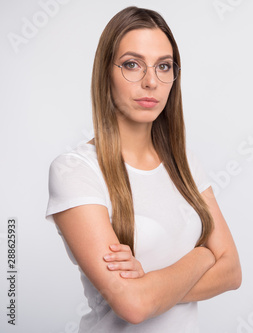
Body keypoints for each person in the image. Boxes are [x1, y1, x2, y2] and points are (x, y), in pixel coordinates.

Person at [45, 6, 242, 332]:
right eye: (132, 65)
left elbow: (232, 272)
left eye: (163, 66)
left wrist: (149, 286)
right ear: (105, 72)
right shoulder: (75, 171)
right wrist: (204, 256)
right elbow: (133, 306)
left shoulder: (185, 163)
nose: (151, 81)